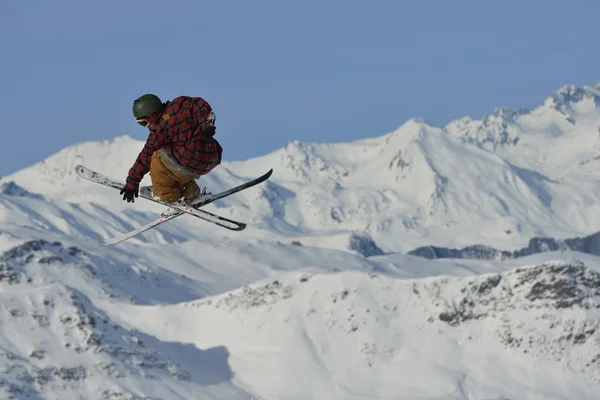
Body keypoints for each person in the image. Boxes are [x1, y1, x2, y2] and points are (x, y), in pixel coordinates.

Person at [120, 93, 223, 205]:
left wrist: (132, 183)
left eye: (144, 123)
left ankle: (166, 195)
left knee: (156, 158)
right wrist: (207, 125)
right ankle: (191, 194)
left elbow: (146, 157)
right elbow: (198, 106)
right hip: (208, 157)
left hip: (191, 154)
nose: (146, 127)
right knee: (175, 169)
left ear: (153, 115)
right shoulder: (175, 111)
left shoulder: (175, 110)